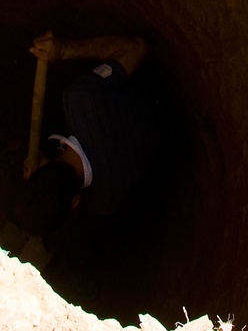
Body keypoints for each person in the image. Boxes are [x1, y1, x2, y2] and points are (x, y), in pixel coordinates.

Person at [13, 32, 163, 234]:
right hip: (155, 93)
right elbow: (137, 49)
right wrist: (64, 50)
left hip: (166, 143)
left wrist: (49, 169)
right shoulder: (81, 100)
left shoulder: (106, 201)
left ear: (74, 202)